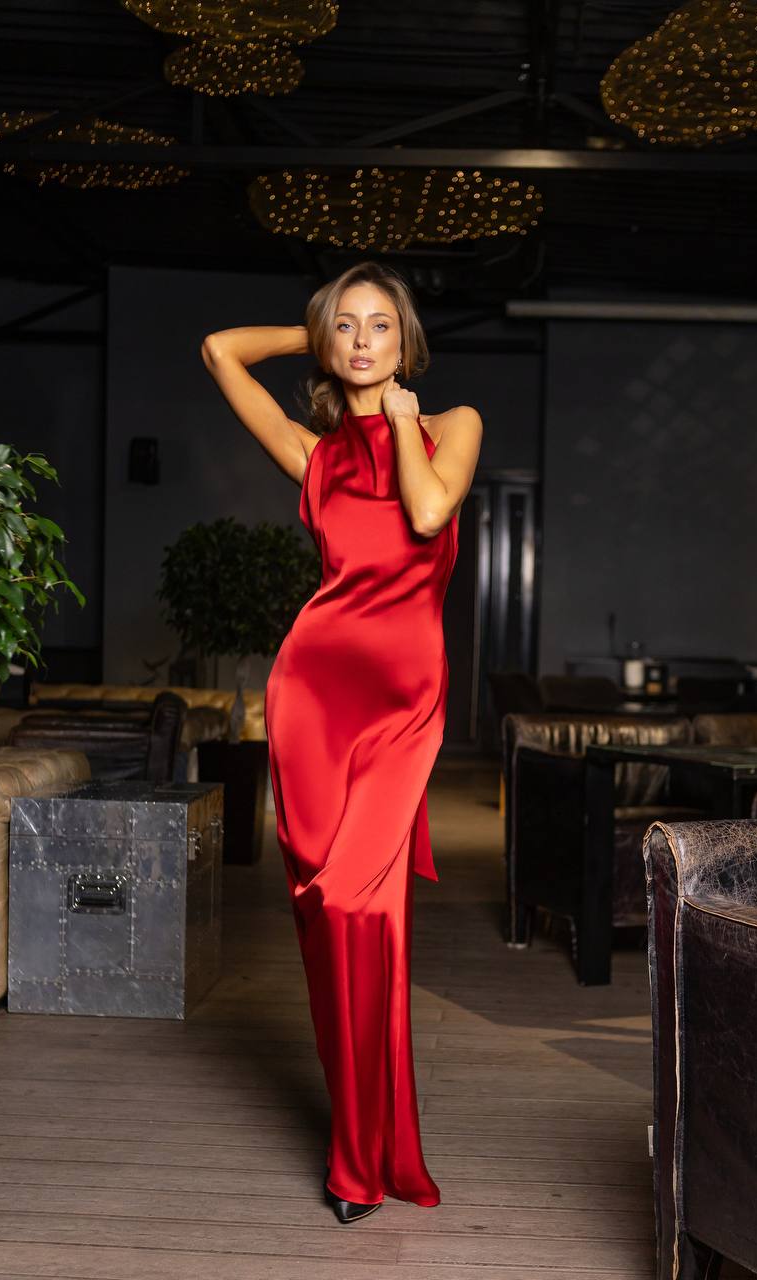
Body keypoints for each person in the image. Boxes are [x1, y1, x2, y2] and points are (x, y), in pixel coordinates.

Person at [201, 261, 482, 1224]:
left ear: (407, 342)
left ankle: (368, 1155)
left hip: (403, 700)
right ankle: (352, 1146)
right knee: (327, 918)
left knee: (369, 914)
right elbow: (217, 350)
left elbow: (430, 511)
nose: (363, 341)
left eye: (380, 325)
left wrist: (403, 419)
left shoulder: (456, 427)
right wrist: (311, 328)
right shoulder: (310, 452)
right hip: (313, 693)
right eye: (347, 328)